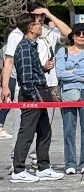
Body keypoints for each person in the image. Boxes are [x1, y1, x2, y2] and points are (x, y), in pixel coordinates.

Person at [8, 13, 64, 182]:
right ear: (30, 28)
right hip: (32, 97)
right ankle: (18, 169)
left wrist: (44, 68)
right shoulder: (24, 47)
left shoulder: (32, 46)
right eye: (38, 24)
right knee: (27, 133)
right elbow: (25, 78)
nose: (41, 26)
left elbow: (31, 70)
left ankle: (43, 167)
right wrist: (33, 98)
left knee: (45, 131)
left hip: (38, 95)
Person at [56, 22, 84, 175]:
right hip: (68, 92)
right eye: (78, 33)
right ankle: (70, 163)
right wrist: (82, 77)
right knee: (69, 129)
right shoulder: (62, 52)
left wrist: (71, 71)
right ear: (72, 36)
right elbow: (60, 73)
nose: (81, 36)